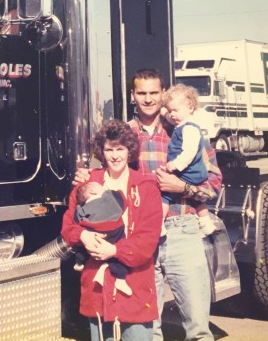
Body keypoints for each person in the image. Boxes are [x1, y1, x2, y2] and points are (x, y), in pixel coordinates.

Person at [74, 68, 221, 341]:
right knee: (147, 327)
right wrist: (85, 178)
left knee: (198, 327)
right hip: (137, 238)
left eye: (154, 92)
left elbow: (214, 183)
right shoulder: (123, 135)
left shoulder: (185, 129)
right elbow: (102, 178)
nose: (149, 99)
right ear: (133, 95)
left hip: (181, 230)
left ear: (163, 94)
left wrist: (183, 188)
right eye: (142, 93)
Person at [62, 119, 162, 341]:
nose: (115, 155)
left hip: (134, 287)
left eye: (120, 149)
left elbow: (148, 239)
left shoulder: (146, 187)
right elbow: (68, 227)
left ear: (129, 151)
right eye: (109, 150)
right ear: (101, 152)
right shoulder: (86, 184)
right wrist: (83, 235)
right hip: (97, 289)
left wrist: (114, 251)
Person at [162, 83, 215, 236]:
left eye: (175, 110)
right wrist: (165, 111)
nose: (172, 115)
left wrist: (175, 165)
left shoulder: (189, 128)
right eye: (170, 110)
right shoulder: (182, 122)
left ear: (190, 107)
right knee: (197, 200)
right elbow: (169, 116)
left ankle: (159, 224)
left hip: (190, 170)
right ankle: (206, 223)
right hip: (194, 172)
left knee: (164, 194)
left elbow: (189, 152)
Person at [71, 180, 131, 296]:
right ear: (92, 191)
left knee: (82, 246)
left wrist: (82, 231)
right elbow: (123, 202)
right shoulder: (108, 197)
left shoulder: (83, 207)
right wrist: (116, 191)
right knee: (117, 253)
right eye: (100, 186)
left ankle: (79, 262)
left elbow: (76, 219)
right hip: (114, 230)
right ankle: (121, 279)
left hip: (94, 231)